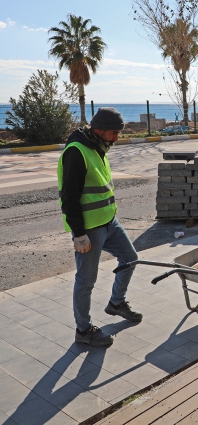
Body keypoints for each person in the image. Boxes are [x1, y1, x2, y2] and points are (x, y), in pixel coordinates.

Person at [57, 108, 142, 347]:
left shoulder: (97, 146)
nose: (117, 138)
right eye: (114, 133)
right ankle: (83, 330)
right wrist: (79, 234)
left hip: (109, 223)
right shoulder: (77, 152)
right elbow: (69, 198)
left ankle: (116, 303)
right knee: (86, 280)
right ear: (99, 130)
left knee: (130, 258)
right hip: (90, 229)